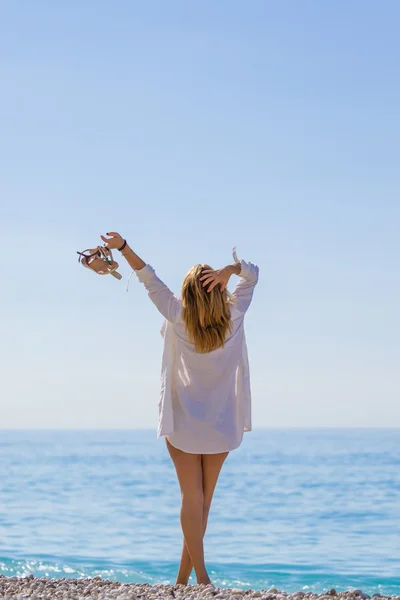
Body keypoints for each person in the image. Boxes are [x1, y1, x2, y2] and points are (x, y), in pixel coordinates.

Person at [100, 232, 259, 587]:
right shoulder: (235, 314)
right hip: (221, 426)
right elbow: (253, 274)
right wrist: (230, 269)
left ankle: (195, 578)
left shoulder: (177, 315)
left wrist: (124, 247)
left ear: (186, 293)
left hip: (184, 423)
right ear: (218, 289)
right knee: (202, 505)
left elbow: (147, 277)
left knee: (191, 498)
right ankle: (184, 580)